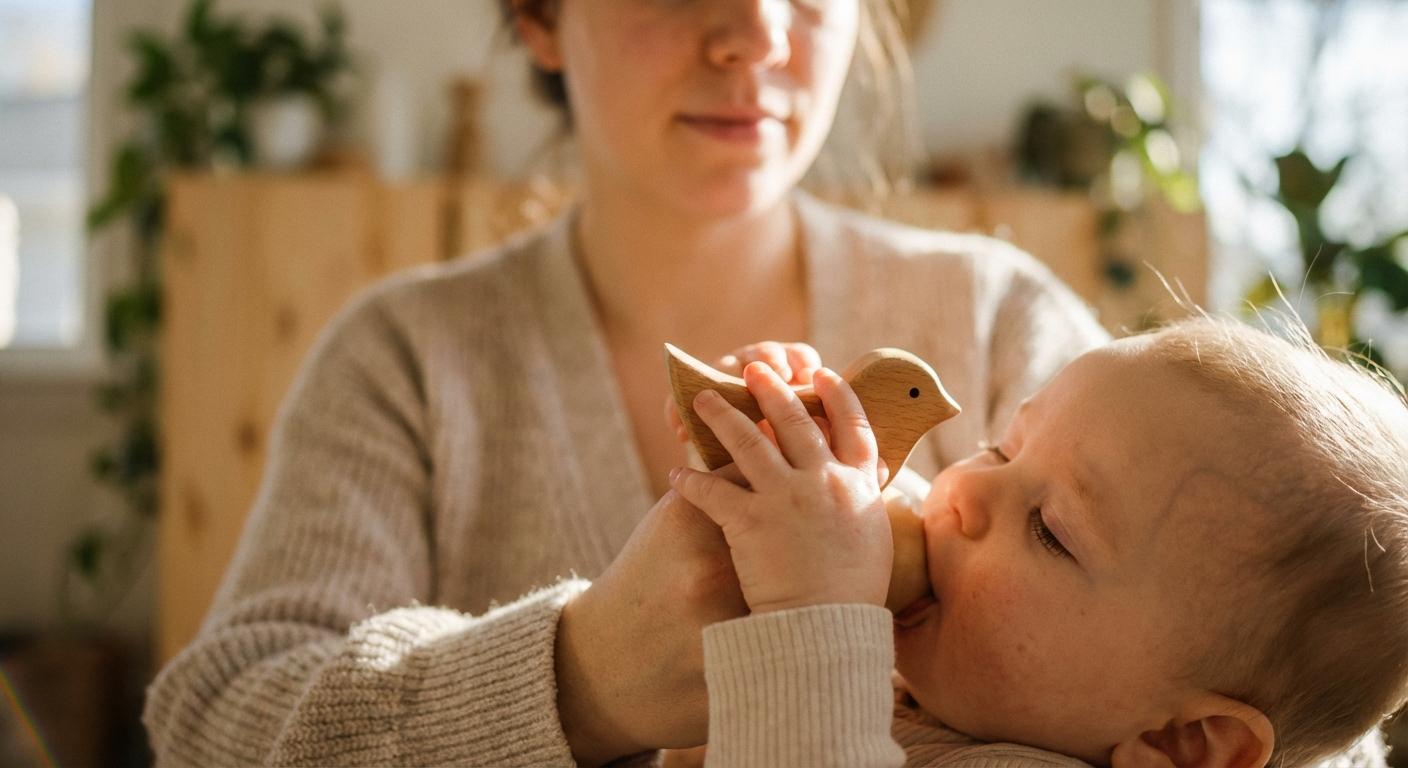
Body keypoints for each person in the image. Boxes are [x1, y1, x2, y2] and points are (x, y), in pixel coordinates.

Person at [139, 1, 1385, 765]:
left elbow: (1278, 692)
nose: (756, 35)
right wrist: (580, 678)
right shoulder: (404, 361)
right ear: (536, 14)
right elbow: (216, 728)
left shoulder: (1001, 321)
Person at [670, 317, 1408, 767]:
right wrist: (787, 440)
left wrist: (807, 618)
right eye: (1000, 448)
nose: (957, 492)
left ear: (1183, 744)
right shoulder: (964, 683)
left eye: (1050, 533)